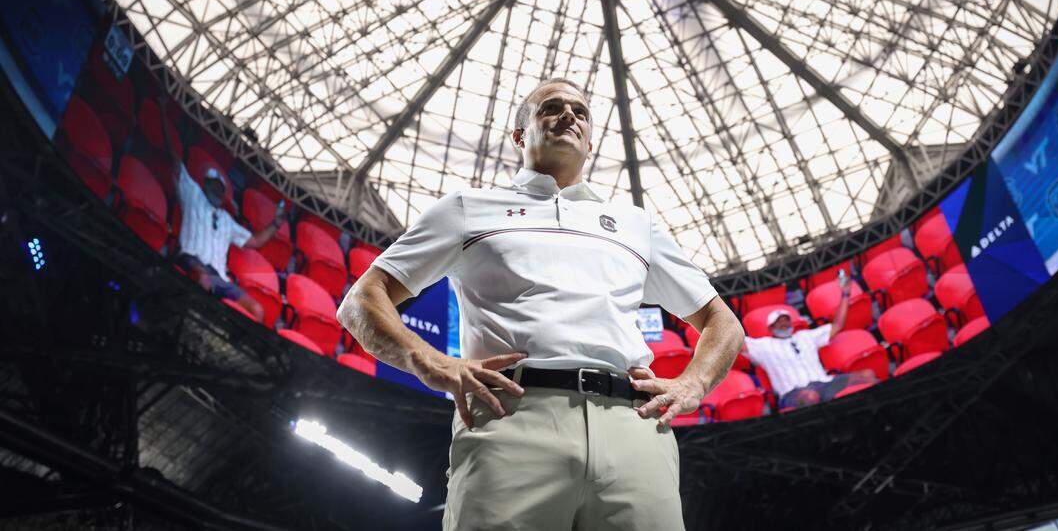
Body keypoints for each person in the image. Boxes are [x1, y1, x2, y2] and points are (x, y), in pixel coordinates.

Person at [338, 78, 745, 530]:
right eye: (551, 107)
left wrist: (693, 385)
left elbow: (721, 321)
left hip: (634, 427)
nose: (569, 115)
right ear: (519, 136)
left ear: (590, 143)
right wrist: (431, 361)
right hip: (512, 417)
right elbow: (362, 299)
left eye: (581, 112)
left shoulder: (637, 224)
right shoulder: (467, 208)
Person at [744, 271, 877, 410]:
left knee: (867, 375)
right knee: (811, 397)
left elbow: (838, 325)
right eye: (779, 322)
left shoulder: (805, 335)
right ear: (771, 328)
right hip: (793, 394)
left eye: (786, 320)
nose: (784, 324)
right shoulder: (763, 345)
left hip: (825, 383)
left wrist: (845, 294)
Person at [172, 162, 283, 323]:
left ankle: (232, 346)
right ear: (206, 184)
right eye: (212, 185)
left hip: (218, 277)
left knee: (257, 310)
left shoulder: (226, 219)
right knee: (204, 279)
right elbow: (176, 163)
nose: (216, 190)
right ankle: (190, 325)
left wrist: (276, 224)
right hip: (191, 259)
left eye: (219, 188)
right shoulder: (193, 194)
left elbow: (256, 241)